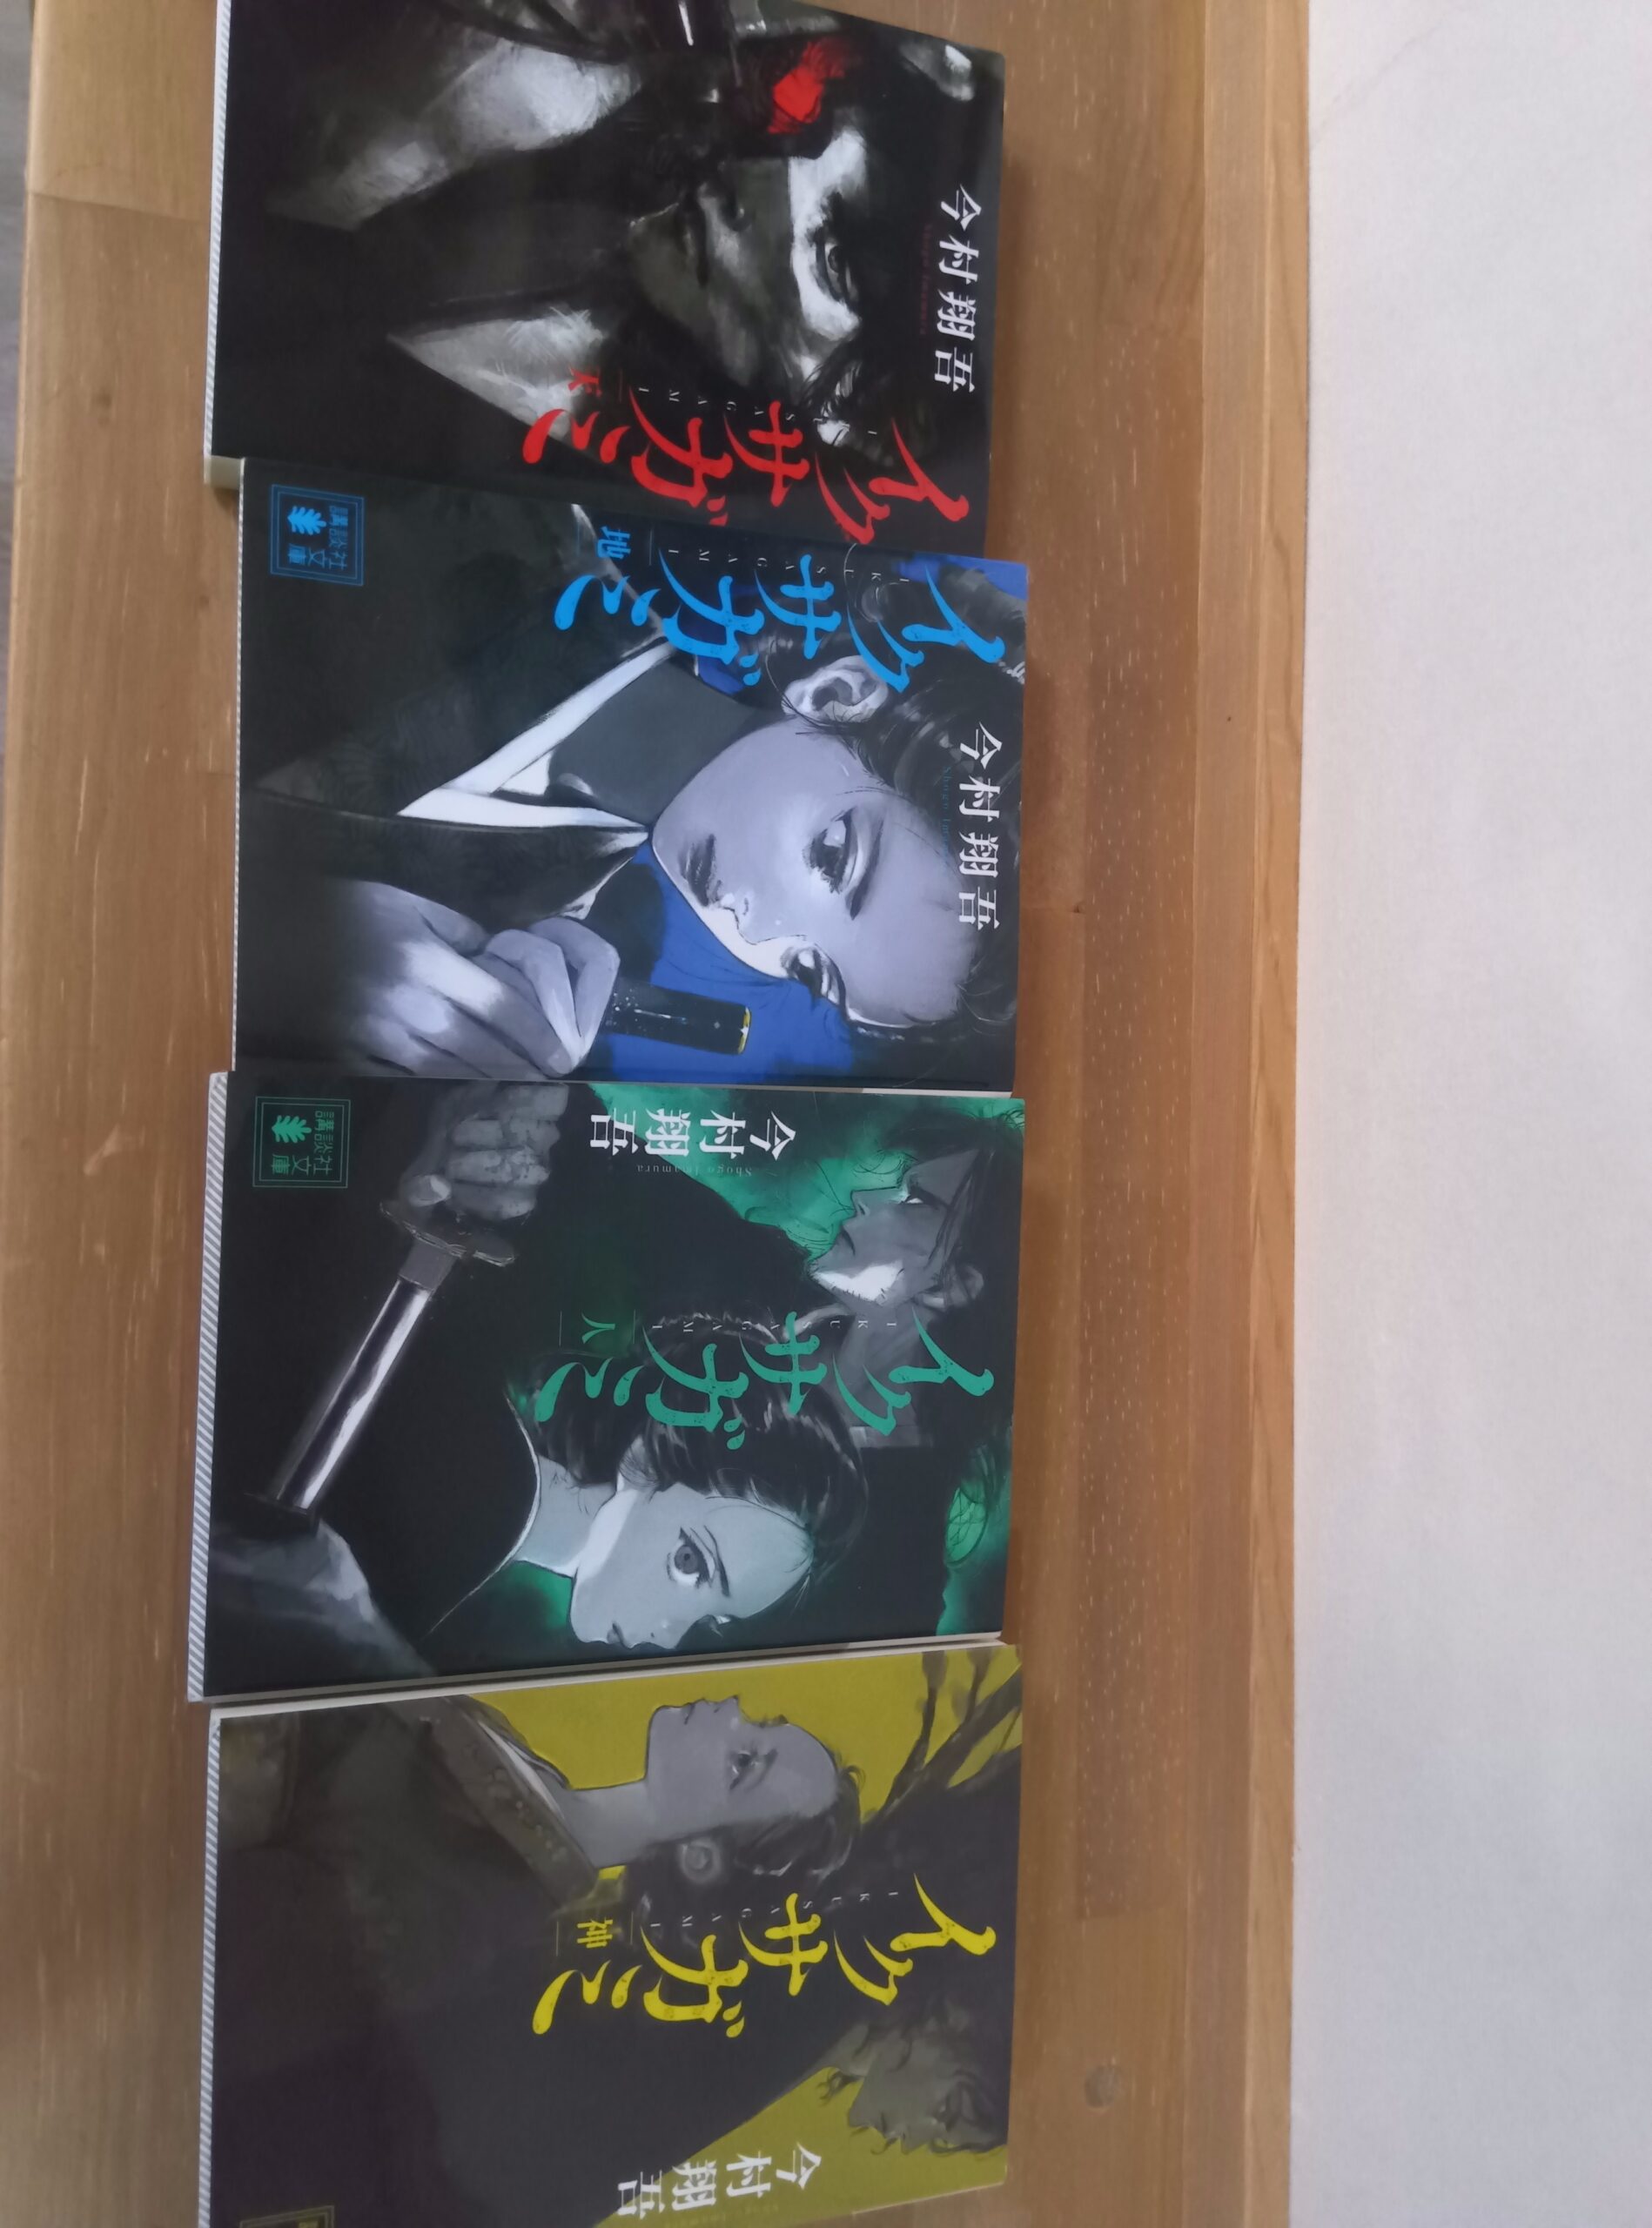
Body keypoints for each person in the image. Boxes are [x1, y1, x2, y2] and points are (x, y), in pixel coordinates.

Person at [238, 516, 1024, 1085]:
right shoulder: (539, 545)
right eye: (832, 857)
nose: (756, 931)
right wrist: (314, 941)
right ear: (840, 695)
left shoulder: (537, 930)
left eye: (809, 969)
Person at [213, 0, 999, 506]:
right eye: (799, 134)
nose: (754, 183)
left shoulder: (555, 426)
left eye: (838, 264)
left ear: (845, 427)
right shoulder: (573, 78)